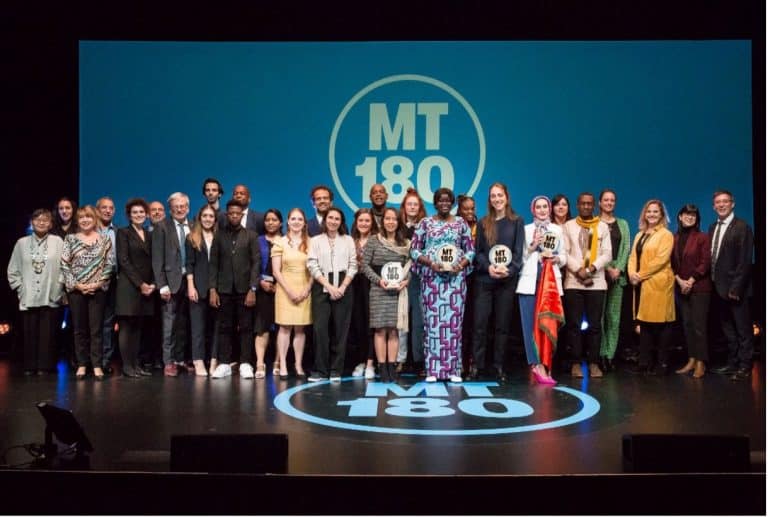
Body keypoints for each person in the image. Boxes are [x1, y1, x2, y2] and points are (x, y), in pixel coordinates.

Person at [410, 188, 475, 382]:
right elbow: (414, 250)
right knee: (432, 324)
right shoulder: (425, 223)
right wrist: (430, 263)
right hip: (432, 280)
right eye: (441, 200)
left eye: (448, 201)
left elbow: (470, 251)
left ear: (452, 203)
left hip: (455, 281)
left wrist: (459, 266)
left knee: (454, 325)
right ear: (435, 203)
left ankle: (454, 370)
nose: (444, 203)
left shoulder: (461, 223)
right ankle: (433, 370)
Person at [469, 183, 524, 382]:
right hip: (485, 280)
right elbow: (478, 253)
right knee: (480, 325)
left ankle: (499, 365)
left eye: (500, 195)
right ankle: (477, 365)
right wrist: (488, 268)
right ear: (489, 199)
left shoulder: (517, 221)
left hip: (506, 282)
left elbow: (518, 253)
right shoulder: (483, 222)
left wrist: (509, 270)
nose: (497, 199)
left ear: (506, 197)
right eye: (493, 196)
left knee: (502, 326)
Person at [7, 209, 65, 375]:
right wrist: (20, 289)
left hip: (50, 295)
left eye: (45, 220)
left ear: (51, 224)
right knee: (29, 333)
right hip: (29, 296)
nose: (41, 222)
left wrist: (59, 289)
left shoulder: (57, 241)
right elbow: (13, 270)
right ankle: (30, 366)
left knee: (48, 335)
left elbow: (65, 267)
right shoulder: (21, 243)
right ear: (32, 223)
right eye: (37, 219)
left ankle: (45, 366)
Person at [60, 205, 115, 380]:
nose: (85, 220)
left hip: (98, 290)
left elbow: (109, 264)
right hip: (77, 291)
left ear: (95, 219)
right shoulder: (70, 239)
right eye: (82, 217)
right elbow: (64, 265)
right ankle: (82, 364)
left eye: (89, 217)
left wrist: (98, 283)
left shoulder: (105, 239)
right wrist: (77, 285)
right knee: (79, 329)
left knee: (96, 329)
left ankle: (97, 365)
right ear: (78, 220)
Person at [562, 192, 612, 378]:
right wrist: (579, 270)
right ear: (577, 205)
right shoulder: (568, 226)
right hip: (573, 282)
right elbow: (564, 253)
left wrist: (590, 269)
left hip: (596, 283)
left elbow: (607, 254)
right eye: (582, 203)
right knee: (573, 325)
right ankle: (575, 363)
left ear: (594, 206)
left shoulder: (602, 227)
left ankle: (593, 363)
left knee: (595, 326)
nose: (586, 206)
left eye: (589, 204)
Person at [516, 195, 566, 384]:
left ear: (550, 209)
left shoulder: (557, 230)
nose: (542, 210)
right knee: (529, 326)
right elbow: (519, 257)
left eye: (545, 206)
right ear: (533, 210)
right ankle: (536, 364)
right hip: (529, 282)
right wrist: (533, 247)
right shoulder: (526, 230)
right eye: (538, 207)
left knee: (548, 324)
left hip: (550, 284)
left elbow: (564, 256)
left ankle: (547, 364)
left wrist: (556, 259)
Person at [208, 199, 260, 379]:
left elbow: (256, 264)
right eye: (231, 213)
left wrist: (253, 288)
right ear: (227, 214)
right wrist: (213, 289)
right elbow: (213, 264)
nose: (234, 216)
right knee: (224, 327)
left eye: (238, 213)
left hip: (245, 289)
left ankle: (245, 363)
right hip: (224, 289)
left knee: (246, 327)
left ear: (242, 214)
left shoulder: (251, 235)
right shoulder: (219, 235)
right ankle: (224, 363)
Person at [708, 190, 754, 381]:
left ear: (732, 204)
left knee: (743, 330)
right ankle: (732, 362)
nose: (721, 205)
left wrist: (736, 288)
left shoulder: (742, 227)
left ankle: (745, 366)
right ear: (714, 206)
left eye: (725, 201)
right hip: (718, 288)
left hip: (736, 290)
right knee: (727, 329)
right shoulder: (713, 227)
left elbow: (745, 261)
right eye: (718, 202)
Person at [361, 207, 411, 383]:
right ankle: (382, 367)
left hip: (397, 292)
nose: (391, 222)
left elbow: (409, 267)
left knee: (394, 330)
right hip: (379, 290)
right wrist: (378, 280)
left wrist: (406, 281)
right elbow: (364, 265)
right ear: (382, 221)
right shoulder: (374, 240)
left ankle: (392, 366)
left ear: (398, 222)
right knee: (380, 329)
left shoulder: (405, 243)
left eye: (394, 219)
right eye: (387, 219)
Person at [307, 207, 357, 381]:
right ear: (325, 219)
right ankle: (320, 370)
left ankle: (336, 370)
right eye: (330, 217)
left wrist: (342, 287)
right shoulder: (315, 240)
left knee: (340, 330)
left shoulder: (348, 240)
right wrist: (328, 286)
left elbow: (353, 265)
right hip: (322, 284)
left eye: (337, 218)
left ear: (341, 222)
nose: (333, 221)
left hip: (344, 284)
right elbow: (312, 264)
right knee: (320, 329)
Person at [627, 200, 675, 375]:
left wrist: (640, 275)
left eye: (655, 212)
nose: (652, 214)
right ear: (644, 214)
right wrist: (631, 273)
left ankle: (662, 364)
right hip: (641, 284)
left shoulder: (666, 234)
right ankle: (644, 362)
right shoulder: (640, 234)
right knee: (645, 324)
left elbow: (661, 260)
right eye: (649, 211)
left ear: (661, 215)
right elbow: (633, 257)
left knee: (661, 326)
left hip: (658, 283)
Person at [152, 192, 192, 377]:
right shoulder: (162, 227)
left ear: (188, 208)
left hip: (189, 282)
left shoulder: (193, 226)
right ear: (170, 209)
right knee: (169, 324)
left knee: (183, 323)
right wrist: (162, 285)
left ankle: (180, 359)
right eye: (176, 206)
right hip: (170, 282)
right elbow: (157, 259)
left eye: (182, 206)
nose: (179, 209)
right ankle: (168, 361)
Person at [115, 198, 156, 378]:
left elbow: (154, 261)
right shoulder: (123, 233)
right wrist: (141, 284)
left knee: (138, 328)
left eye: (141, 212)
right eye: (135, 213)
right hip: (129, 286)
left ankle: (136, 364)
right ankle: (127, 366)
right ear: (129, 216)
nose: (138, 215)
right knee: (127, 327)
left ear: (146, 214)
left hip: (147, 287)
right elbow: (124, 261)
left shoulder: (149, 234)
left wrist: (152, 284)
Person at [272, 208, 313, 379]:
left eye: (300, 219)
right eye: (293, 219)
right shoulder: (280, 242)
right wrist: (289, 291)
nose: (296, 222)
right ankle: (282, 365)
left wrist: (307, 289)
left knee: (300, 329)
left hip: (305, 290)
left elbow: (315, 270)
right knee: (284, 328)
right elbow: (276, 271)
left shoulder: (311, 243)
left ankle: (298, 365)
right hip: (285, 290)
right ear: (288, 222)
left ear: (304, 223)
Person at [671, 204, 711, 378]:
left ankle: (701, 362)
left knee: (698, 326)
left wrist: (691, 280)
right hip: (681, 287)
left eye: (693, 215)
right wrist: (679, 281)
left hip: (699, 288)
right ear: (680, 217)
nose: (690, 217)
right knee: (687, 325)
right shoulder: (674, 238)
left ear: (697, 219)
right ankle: (692, 359)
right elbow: (671, 263)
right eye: (686, 214)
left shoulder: (702, 237)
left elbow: (706, 262)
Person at [597, 189, 630, 371]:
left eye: (612, 200)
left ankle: (610, 355)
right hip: (600, 275)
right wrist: (608, 267)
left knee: (614, 317)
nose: (609, 203)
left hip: (618, 276)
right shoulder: (594, 223)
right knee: (600, 317)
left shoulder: (623, 224)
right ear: (600, 203)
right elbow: (593, 249)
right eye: (606, 200)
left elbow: (626, 247)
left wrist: (619, 268)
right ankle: (601, 353)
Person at [185, 204, 218, 376]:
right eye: (205, 215)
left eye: (211, 216)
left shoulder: (220, 237)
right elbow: (189, 264)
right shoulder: (192, 237)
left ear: (215, 219)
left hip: (217, 289)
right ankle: (198, 361)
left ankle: (213, 360)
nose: (208, 219)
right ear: (199, 218)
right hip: (197, 287)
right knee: (198, 328)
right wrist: (191, 286)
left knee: (216, 328)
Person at [398, 188, 427, 376]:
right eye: (409, 204)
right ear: (404, 206)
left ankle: (419, 361)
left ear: (420, 207)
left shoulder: (426, 227)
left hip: (418, 278)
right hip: (398, 278)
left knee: (419, 321)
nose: (412, 207)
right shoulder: (396, 227)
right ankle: (400, 360)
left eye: (415, 204)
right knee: (401, 321)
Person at [253, 208, 282, 379]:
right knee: (261, 328)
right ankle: (260, 363)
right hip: (262, 289)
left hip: (282, 290)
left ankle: (278, 362)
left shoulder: (286, 241)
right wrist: (259, 282)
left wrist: (280, 285)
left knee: (281, 328)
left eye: (274, 220)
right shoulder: (257, 241)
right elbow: (251, 265)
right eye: (268, 220)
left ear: (280, 223)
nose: (270, 223)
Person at [349, 208, 378, 379]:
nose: (364, 224)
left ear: (372, 223)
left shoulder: (377, 240)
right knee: (358, 324)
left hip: (372, 285)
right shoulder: (350, 240)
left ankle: (370, 362)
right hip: (354, 285)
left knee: (370, 325)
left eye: (367, 221)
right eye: (361, 220)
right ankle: (360, 361)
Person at [96, 196, 118, 373]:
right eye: (104, 207)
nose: (107, 210)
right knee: (92, 323)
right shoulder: (88, 231)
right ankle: (91, 360)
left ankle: (105, 360)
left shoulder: (118, 232)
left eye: (111, 208)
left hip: (113, 281)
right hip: (92, 283)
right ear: (97, 210)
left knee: (108, 324)